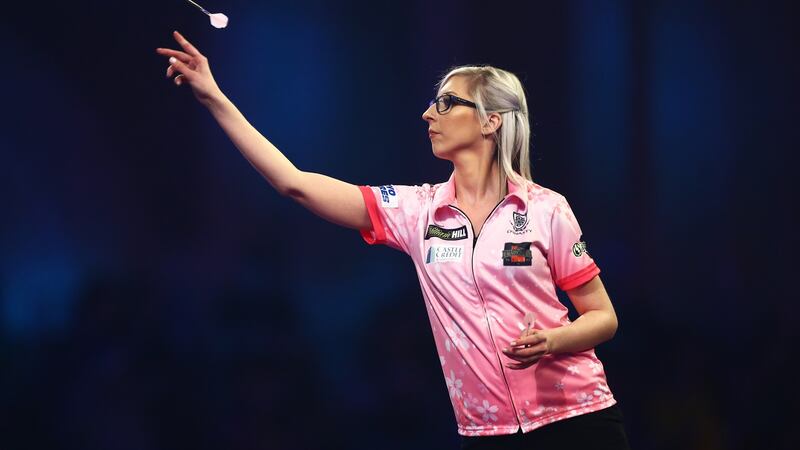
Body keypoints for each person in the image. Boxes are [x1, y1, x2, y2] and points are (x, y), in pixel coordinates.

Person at [156, 31, 631, 450]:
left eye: (446, 103)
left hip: (577, 419)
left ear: (492, 121)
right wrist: (215, 98)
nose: (428, 114)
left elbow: (602, 317)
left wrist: (554, 339)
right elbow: (293, 182)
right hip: (488, 433)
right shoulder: (416, 211)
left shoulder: (547, 208)